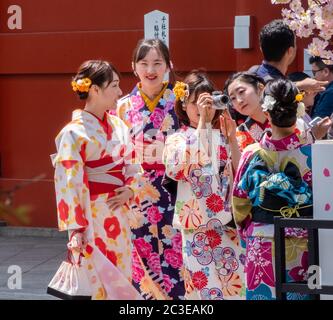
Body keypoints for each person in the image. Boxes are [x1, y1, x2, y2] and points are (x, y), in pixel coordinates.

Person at [51, 60, 142, 300]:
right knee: (96, 280)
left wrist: (131, 189)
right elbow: (68, 183)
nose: (120, 92)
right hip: (91, 218)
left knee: (121, 274)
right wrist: (76, 229)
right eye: (114, 85)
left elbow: (133, 165)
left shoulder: (120, 126)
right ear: (95, 89)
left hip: (118, 213)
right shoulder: (73, 132)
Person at [163, 71, 245, 300]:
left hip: (228, 224)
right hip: (197, 227)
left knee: (236, 286)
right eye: (195, 103)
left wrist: (232, 140)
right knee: (204, 290)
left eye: (207, 101)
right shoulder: (177, 139)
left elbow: (240, 172)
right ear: (183, 104)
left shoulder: (224, 135)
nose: (202, 108)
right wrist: (202, 125)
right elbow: (176, 168)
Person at [232, 78, 313, 300]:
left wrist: (248, 233)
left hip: (262, 241)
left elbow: (239, 204)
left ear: (267, 114)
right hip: (304, 244)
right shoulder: (312, 155)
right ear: (298, 111)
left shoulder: (251, 153)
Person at [117, 39, 185, 300]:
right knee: (140, 259)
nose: (150, 69)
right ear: (134, 67)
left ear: (168, 65)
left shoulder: (180, 101)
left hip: (175, 189)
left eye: (157, 62)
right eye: (143, 63)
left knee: (176, 256)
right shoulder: (122, 106)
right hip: (136, 194)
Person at [225, 72, 315, 151]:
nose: (239, 101)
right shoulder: (238, 134)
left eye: (241, 92)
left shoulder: (292, 120)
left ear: (260, 87)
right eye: (233, 98)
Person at [249, 19, 327, 94]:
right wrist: (301, 85)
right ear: (290, 51)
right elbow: (271, 90)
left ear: (261, 49)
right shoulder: (270, 83)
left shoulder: (252, 72)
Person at [288, 71, 332, 139]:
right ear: (302, 92)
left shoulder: (301, 113)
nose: (315, 92)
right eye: (312, 89)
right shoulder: (292, 117)